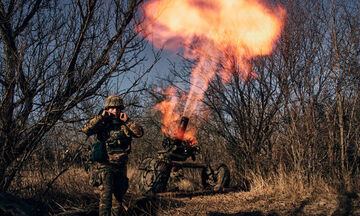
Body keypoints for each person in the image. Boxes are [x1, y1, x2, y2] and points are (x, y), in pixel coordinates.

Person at [82, 95, 144, 216]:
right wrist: (100, 117)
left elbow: (139, 133)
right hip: (105, 167)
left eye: (118, 108)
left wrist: (128, 120)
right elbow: (85, 129)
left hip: (121, 167)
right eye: (112, 108)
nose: (115, 111)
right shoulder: (102, 123)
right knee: (105, 199)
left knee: (118, 201)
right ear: (107, 109)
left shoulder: (124, 124)